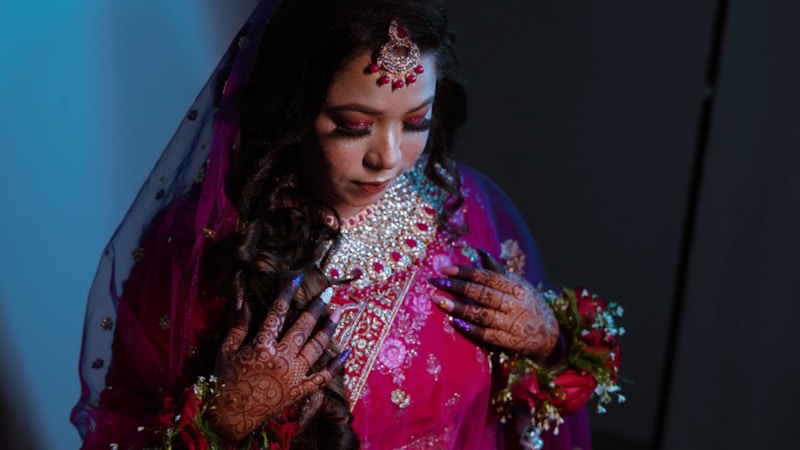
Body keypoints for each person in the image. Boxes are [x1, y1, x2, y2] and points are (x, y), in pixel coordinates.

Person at [72, 0, 594, 448]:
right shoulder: (207, 251)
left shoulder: (467, 209)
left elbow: (534, 400)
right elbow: (123, 426)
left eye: (416, 122)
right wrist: (222, 423)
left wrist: (549, 342)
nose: (388, 157)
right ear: (292, 113)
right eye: (354, 127)